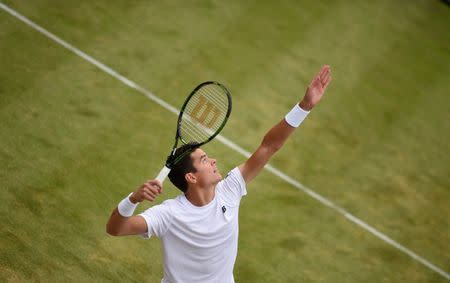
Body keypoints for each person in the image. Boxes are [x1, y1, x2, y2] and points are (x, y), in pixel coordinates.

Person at [106, 65, 332, 283]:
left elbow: (269, 146)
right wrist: (133, 199)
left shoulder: (230, 190)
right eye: (204, 160)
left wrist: (304, 106)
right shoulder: (169, 214)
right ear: (191, 177)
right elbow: (116, 229)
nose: (213, 160)